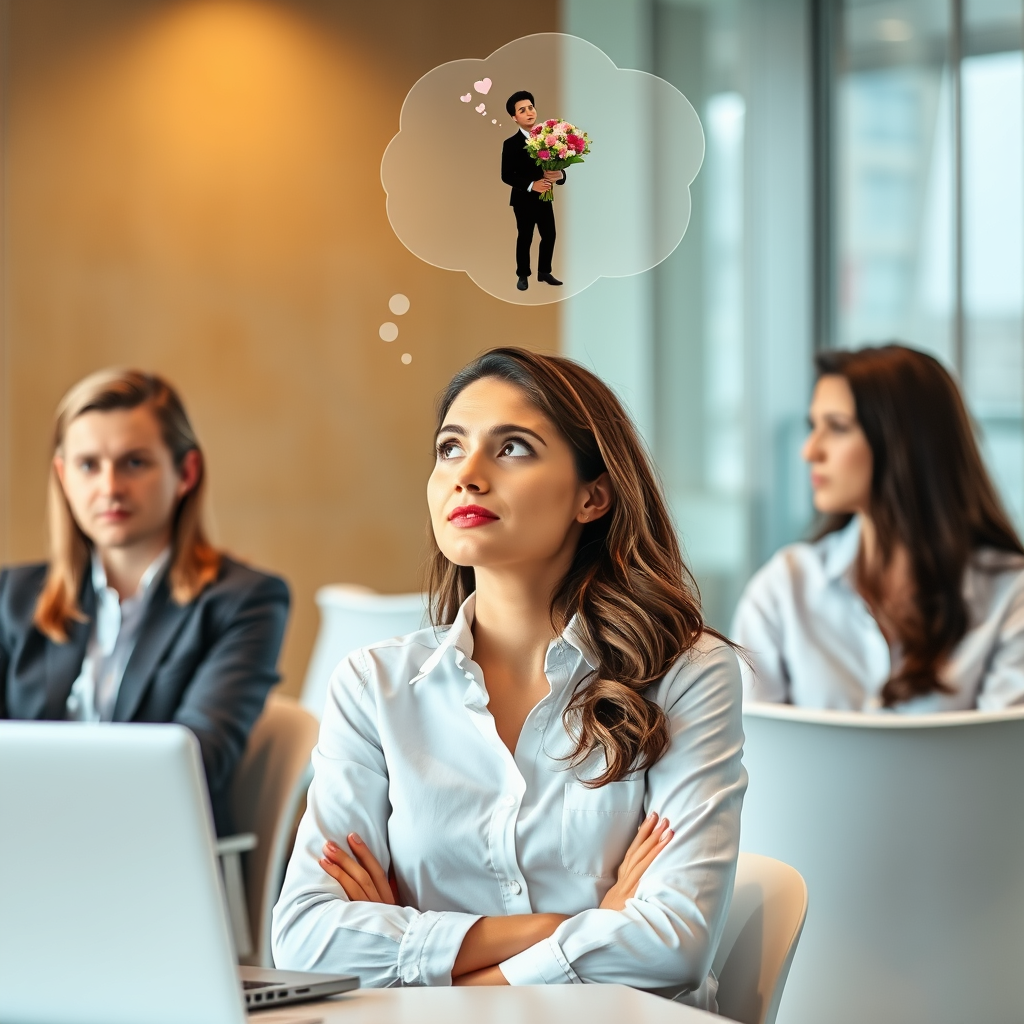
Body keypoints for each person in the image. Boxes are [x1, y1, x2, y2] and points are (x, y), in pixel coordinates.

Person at [272, 348, 745, 1005]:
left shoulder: (687, 675)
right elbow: (305, 939)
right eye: (449, 448)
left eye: (513, 448)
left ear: (592, 495)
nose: (466, 475)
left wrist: (442, 966)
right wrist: (573, 929)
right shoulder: (373, 686)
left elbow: (674, 946)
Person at [0, 368, 290, 832]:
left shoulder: (246, 601)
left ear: (186, 472)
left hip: (152, 846)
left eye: (134, 462)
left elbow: (197, 761)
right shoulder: (12, 596)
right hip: (23, 839)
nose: (110, 487)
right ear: (63, 475)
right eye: (88, 465)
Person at [732, 344, 1024, 711]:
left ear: (906, 443)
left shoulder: (1012, 596)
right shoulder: (783, 589)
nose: (810, 451)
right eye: (813, 427)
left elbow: (1007, 759)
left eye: (837, 427)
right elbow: (755, 749)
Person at [501, 91, 566, 292]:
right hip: (523, 200)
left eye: (531, 107)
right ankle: (523, 274)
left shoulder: (550, 139)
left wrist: (560, 175)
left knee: (550, 235)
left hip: (545, 198)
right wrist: (531, 185)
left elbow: (558, 166)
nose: (529, 112)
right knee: (525, 236)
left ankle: (544, 271)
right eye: (522, 110)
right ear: (514, 117)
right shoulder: (511, 144)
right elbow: (506, 175)